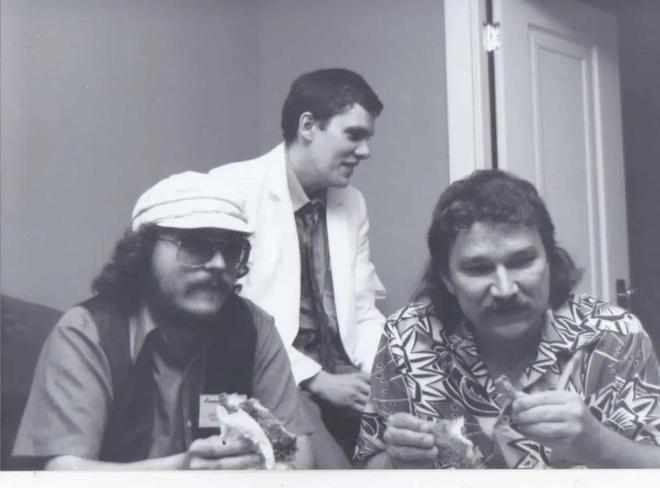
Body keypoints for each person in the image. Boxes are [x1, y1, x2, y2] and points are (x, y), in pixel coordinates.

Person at [354, 169, 660, 469]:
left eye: (522, 261)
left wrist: (598, 444)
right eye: (478, 269)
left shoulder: (616, 335)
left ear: (549, 260)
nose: (505, 289)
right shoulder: (405, 337)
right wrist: (397, 460)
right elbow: (368, 468)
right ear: (447, 278)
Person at [12, 172, 313, 469]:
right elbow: (63, 475)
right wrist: (184, 471)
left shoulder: (254, 328)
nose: (219, 264)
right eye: (196, 246)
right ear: (143, 251)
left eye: (232, 249)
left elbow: (296, 453)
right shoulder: (88, 332)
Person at [209, 68, 386, 466]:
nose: (365, 151)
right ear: (308, 126)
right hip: (272, 376)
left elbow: (362, 309)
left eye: (368, 138)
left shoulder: (353, 203)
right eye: (354, 135)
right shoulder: (232, 189)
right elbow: (234, 317)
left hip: (343, 373)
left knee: (409, 444)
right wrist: (317, 380)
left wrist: (387, 373)